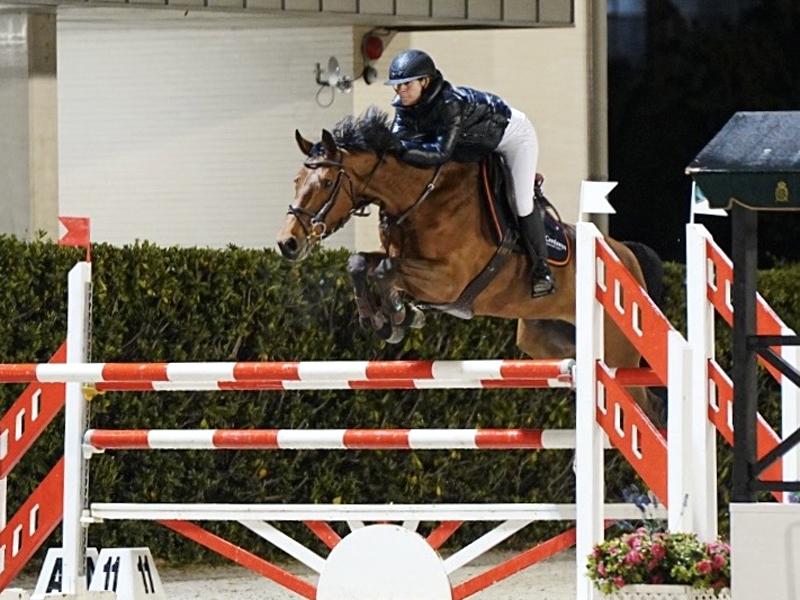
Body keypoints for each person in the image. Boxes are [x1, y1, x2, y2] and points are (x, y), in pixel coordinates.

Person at [385, 49, 554, 298]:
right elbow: (396, 144)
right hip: (473, 145)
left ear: (425, 81)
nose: (400, 91)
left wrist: (399, 148)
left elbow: (440, 152)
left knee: (522, 202)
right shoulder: (404, 108)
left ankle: (542, 270)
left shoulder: (449, 104)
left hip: (513, 138)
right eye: (397, 86)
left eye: (406, 85)